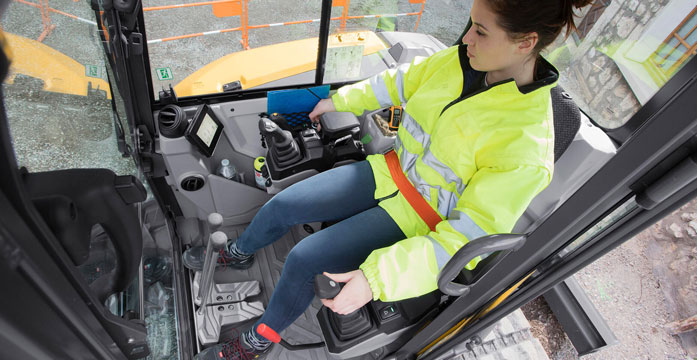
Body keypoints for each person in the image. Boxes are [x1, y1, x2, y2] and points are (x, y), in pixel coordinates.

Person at [184, 0, 592, 358]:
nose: (466, 38)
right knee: (284, 203)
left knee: (304, 258)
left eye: (480, 31)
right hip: (388, 171)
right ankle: (238, 252)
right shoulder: (459, 61)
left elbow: (465, 241)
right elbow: (397, 81)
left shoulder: (527, 145)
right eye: (470, 23)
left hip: (419, 216)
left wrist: (375, 279)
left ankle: (260, 340)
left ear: (525, 42)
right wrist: (335, 101)